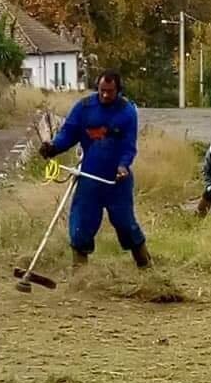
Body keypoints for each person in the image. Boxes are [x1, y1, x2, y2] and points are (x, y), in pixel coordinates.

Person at [39, 71, 150, 269]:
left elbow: (129, 146)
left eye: (110, 91)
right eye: (102, 90)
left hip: (117, 180)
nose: (105, 95)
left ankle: (145, 264)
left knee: (125, 223)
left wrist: (123, 165)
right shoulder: (84, 108)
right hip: (89, 177)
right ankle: (80, 274)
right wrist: (53, 147)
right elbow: (68, 133)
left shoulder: (127, 112)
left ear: (118, 90)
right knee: (81, 224)